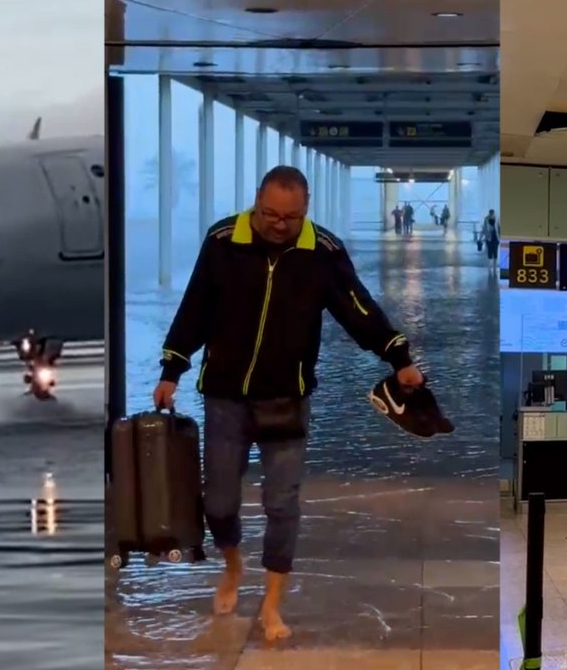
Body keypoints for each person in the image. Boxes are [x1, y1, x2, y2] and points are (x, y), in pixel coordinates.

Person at [152, 165, 425, 641]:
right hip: (225, 396)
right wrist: (172, 368)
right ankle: (233, 566)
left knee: (282, 504)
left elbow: (357, 308)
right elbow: (195, 306)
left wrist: (398, 357)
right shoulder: (223, 241)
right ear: (257, 201)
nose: (278, 224)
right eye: (270, 214)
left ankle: (272, 605)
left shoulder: (322, 251)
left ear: (306, 208)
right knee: (218, 501)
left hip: (288, 398)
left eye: (290, 217)